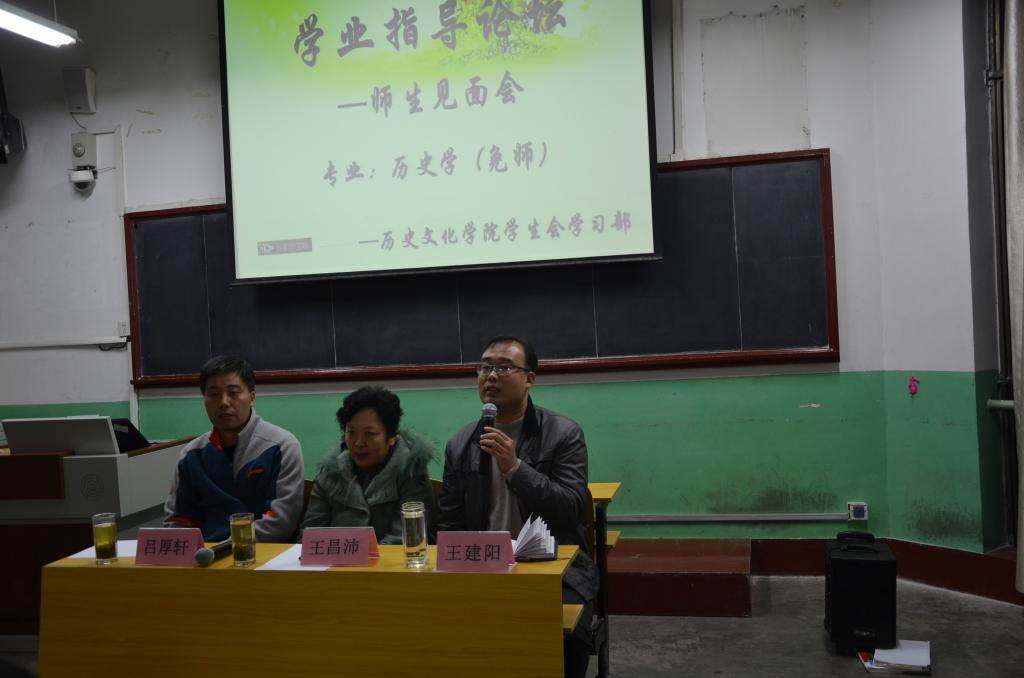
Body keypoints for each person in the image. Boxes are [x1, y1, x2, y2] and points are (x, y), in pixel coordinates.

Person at [438, 336, 598, 678]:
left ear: (530, 379)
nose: (491, 376)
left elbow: (570, 509)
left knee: (565, 639)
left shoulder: (564, 434)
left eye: (504, 367)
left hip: (554, 568)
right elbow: (449, 524)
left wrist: (515, 468)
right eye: (484, 367)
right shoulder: (460, 444)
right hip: (482, 567)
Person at [163, 355, 305, 542]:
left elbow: (281, 521)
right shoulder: (191, 455)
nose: (223, 402)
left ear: (252, 398)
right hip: (204, 555)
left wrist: (225, 548)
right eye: (213, 394)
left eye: (233, 393)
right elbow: (179, 520)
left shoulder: (281, 446)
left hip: (264, 553)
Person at [301, 385, 437, 544]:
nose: (358, 443)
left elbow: (406, 539)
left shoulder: (411, 472)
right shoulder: (330, 472)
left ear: (392, 437)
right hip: (336, 559)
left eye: (370, 433)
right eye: (351, 432)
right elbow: (308, 538)